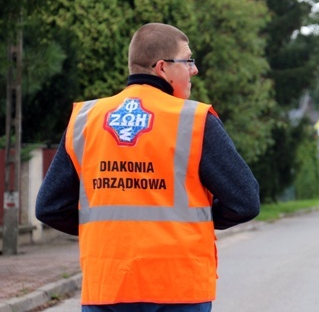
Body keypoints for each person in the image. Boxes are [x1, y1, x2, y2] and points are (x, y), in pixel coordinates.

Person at [36, 22, 260, 312]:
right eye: (188, 60)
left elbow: (48, 208)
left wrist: (108, 233)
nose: (195, 69)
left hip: (108, 284)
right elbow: (245, 200)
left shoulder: (86, 120)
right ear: (162, 68)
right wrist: (192, 225)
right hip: (179, 286)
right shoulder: (194, 121)